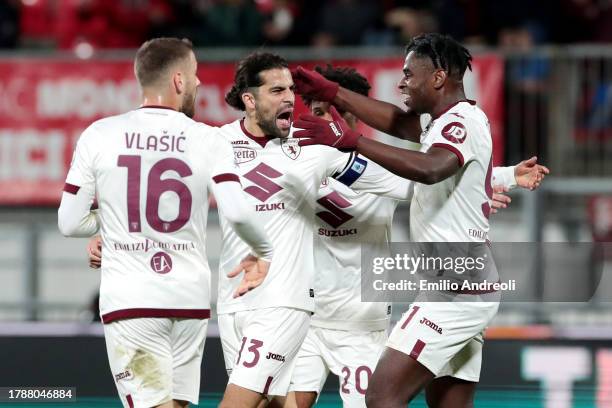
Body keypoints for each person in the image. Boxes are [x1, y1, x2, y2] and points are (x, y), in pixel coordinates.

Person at [291, 33, 549, 407]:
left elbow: (430, 169)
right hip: (463, 285)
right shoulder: (447, 122)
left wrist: (350, 140)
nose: (402, 82)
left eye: (409, 74)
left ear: (438, 77)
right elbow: (400, 124)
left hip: (454, 291)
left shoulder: (461, 122)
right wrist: (334, 93)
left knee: (381, 397)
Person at [58, 37, 274, 408]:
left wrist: (110, 223)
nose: (199, 83)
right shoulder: (209, 139)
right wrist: (265, 251)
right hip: (188, 301)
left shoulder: (100, 134)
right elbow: (238, 212)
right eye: (194, 74)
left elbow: (70, 221)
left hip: (132, 300)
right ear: (178, 81)